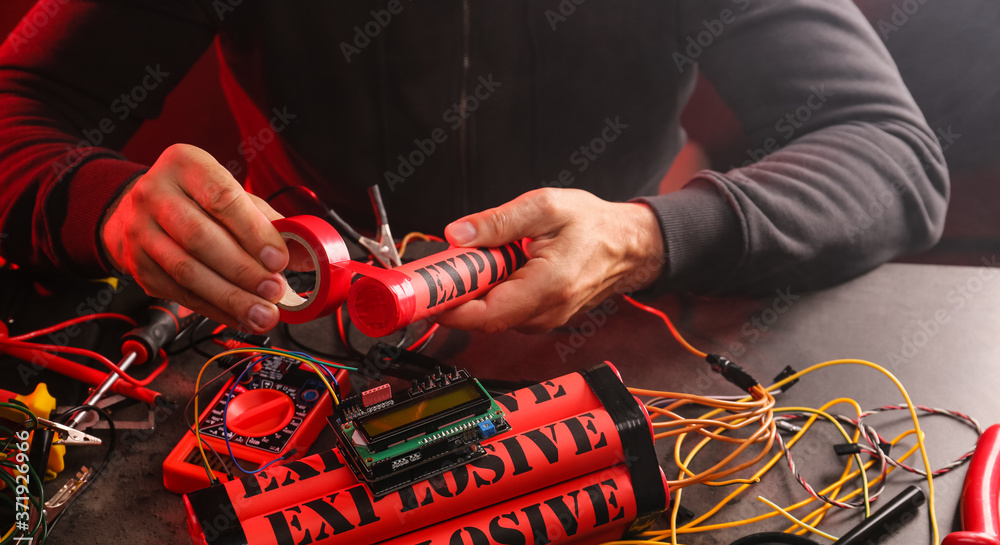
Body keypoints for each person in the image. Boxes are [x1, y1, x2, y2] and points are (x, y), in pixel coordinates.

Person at [0, 1, 948, 335]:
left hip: (619, 343)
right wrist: (111, 205)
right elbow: (18, 107)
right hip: (302, 330)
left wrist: (642, 235)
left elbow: (890, 151)